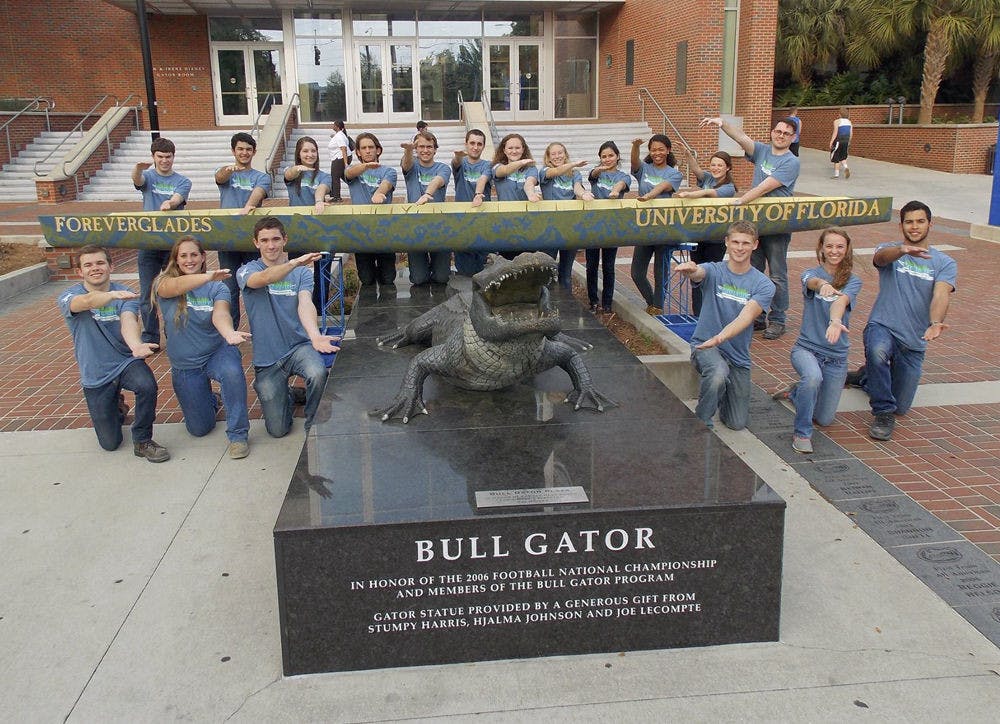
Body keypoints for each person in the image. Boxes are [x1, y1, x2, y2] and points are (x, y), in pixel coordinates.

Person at [846, 201, 956, 441]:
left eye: (920, 221)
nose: (914, 227)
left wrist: (936, 322)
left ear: (929, 224)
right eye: (909, 222)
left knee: (902, 406)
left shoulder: (944, 263)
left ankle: (866, 376)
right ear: (901, 226)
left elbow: (941, 293)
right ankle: (883, 413)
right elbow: (880, 258)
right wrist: (903, 250)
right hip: (883, 325)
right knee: (877, 351)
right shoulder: (891, 250)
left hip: (913, 342)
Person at [57, 246, 170, 462]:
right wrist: (109, 296)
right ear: (80, 272)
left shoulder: (126, 294)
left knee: (147, 385)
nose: (95, 268)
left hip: (125, 362)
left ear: (111, 266)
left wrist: (136, 345)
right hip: (96, 371)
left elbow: (128, 322)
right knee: (110, 444)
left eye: (100, 263)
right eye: (88, 265)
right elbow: (86, 303)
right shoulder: (69, 296)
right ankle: (116, 405)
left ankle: (143, 440)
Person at [236, 218, 340, 438]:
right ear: (256, 243)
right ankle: (287, 394)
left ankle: (314, 423)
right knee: (278, 430)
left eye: (275, 239)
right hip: (268, 358)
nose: (271, 245)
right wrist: (293, 262)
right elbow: (262, 279)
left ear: (285, 240)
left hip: (297, 348)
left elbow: (305, 304)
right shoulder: (246, 271)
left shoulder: (301, 274)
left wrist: (314, 335)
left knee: (318, 372)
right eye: (264, 240)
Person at [700, 116, 800, 339]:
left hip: (777, 225)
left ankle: (778, 318)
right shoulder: (763, 151)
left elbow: (766, 186)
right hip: (756, 224)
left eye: (786, 133)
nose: (781, 135)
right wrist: (722, 123)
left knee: (777, 274)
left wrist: (740, 201)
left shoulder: (791, 162)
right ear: (772, 132)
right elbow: (742, 138)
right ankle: (757, 316)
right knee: (753, 270)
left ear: (792, 138)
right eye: (778, 131)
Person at [153, 237, 252, 459]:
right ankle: (211, 400)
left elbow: (221, 313)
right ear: (176, 260)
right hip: (186, 363)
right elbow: (174, 287)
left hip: (216, 352)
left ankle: (238, 435)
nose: (189, 260)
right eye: (184, 256)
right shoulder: (163, 282)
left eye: (194, 255)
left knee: (232, 372)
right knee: (199, 429)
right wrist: (205, 276)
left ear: (203, 257)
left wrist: (228, 333)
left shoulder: (217, 286)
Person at [674, 221, 775, 430]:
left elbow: (746, 317)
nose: (740, 247)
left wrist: (721, 337)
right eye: (735, 242)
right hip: (706, 346)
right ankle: (701, 422)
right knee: (718, 372)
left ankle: (720, 388)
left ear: (755, 245)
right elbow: (699, 272)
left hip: (737, 355)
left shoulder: (763, 284)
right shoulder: (714, 270)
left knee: (736, 423)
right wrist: (691, 269)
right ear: (726, 242)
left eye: (745, 243)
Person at [772, 228, 862, 453]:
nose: (834, 251)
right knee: (812, 378)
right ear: (821, 248)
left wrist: (834, 321)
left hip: (836, 358)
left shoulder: (853, 280)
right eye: (829, 246)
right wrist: (823, 285)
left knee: (824, 418)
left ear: (847, 249)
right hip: (807, 350)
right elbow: (812, 282)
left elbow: (840, 302)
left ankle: (795, 393)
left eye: (840, 246)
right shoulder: (810, 273)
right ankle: (802, 434)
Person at [131, 136, 191, 346]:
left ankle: (175, 334)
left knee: (175, 290)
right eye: (160, 157)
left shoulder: (182, 181)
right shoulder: (148, 176)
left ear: (173, 157)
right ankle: (150, 336)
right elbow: (138, 181)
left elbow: (178, 198)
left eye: (168, 157)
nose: (165, 160)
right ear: (153, 157)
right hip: (148, 243)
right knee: (147, 293)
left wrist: (170, 203)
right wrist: (137, 169)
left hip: (173, 245)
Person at [214, 132, 272, 330]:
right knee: (228, 289)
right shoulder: (226, 173)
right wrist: (228, 171)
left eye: (248, 149)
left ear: (254, 152)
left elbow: (259, 192)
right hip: (228, 240)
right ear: (233, 151)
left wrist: (248, 206)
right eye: (240, 149)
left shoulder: (261, 177)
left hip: (252, 241)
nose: (244, 153)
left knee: (255, 286)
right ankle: (230, 331)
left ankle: (261, 330)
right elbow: (219, 177)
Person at [675, 147, 737, 315]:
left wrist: (690, 195)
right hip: (699, 236)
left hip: (716, 240)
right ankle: (698, 314)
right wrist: (688, 155)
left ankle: (710, 314)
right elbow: (697, 170)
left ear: (728, 168)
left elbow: (710, 193)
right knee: (695, 275)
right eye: (713, 164)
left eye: (720, 165)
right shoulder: (708, 178)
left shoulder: (729, 188)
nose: (716, 168)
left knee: (710, 277)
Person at [630, 134, 684, 314]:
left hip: (664, 228)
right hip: (644, 228)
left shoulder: (674, 174)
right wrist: (636, 146)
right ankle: (652, 302)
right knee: (637, 272)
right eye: (653, 149)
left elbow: (664, 186)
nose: (657, 153)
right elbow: (635, 163)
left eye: (661, 149)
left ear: (668, 150)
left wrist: (649, 196)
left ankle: (658, 307)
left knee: (661, 272)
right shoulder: (644, 169)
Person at [283, 136, 333, 310]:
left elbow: (323, 188)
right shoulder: (292, 174)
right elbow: (288, 174)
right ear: (298, 153)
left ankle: (320, 311)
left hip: (321, 230)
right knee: (296, 270)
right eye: (305, 151)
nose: (310, 154)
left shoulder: (324, 175)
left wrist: (318, 200)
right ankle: (296, 309)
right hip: (297, 231)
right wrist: (298, 168)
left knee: (322, 272)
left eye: (313, 150)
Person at [535, 142, 593, 288]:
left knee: (565, 275)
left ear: (565, 154)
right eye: (553, 154)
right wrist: (573, 164)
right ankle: (546, 305)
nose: (557, 156)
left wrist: (584, 193)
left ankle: (566, 308)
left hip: (569, 227)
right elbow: (555, 172)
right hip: (550, 228)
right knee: (547, 271)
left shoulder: (575, 173)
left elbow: (577, 188)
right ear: (548, 157)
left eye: (560, 153)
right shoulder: (545, 171)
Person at [344, 132, 397, 287]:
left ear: (378, 150)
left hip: (384, 232)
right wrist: (365, 166)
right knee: (366, 279)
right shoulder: (353, 172)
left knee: (388, 279)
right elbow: (348, 173)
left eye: (371, 147)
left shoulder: (389, 171)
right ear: (358, 152)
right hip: (361, 233)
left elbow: (386, 184)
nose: (368, 151)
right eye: (364, 148)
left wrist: (380, 192)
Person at [401, 130, 453, 285]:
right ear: (416, 149)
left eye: (429, 146)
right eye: (421, 146)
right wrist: (409, 149)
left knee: (442, 278)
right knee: (419, 279)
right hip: (415, 226)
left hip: (439, 226)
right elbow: (406, 164)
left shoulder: (443, 168)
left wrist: (427, 194)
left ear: (435, 149)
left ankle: (437, 268)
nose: (425, 150)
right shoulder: (412, 165)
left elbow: (437, 181)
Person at [586, 140, 630, 312]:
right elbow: (593, 174)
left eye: (610, 155)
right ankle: (593, 301)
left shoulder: (623, 176)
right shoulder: (596, 174)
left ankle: (607, 303)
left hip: (612, 227)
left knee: (609, 267)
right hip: (593, 226)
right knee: (591, 265)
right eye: (603, 156)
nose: (607, 159)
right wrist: (599, 169)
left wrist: (615, 191)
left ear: (617, 156)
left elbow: (621, 185)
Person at [451, 129, 493, 275]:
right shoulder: (460, 162)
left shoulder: (488, 165)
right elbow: (455, 163)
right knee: (464, 269)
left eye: (479, 144)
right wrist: (457, 156)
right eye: (472, 143)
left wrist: (478, 194)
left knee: (480, 266)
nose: (475, 147)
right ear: (466, 144)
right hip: (462, 220)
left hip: (482, 219)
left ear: (483, 146)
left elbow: (483, 178)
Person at [327, 120, 351, 202]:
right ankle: (357, 185)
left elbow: (343, 149)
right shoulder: (339, 135)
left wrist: (345, 163)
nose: (332, 126)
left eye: (334, 125)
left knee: (335, 177)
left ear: (337, 126)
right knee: (342, 176)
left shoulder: (339, 136)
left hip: (339, 159)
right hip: (338, 158)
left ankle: (337, 197)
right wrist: (334, 136)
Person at [830, 107, 853, 179]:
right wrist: (849, 141)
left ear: (840, 114)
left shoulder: (837, 121)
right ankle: (846, 167)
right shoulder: (849, 122)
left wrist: (831, 142)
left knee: (836, 156)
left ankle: (836, 174)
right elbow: (851, 133)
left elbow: (835, 132)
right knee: (843, 156)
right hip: (846, 141)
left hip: (838, 140)